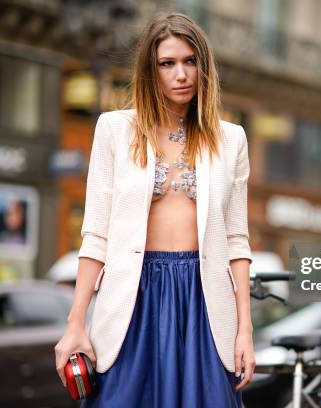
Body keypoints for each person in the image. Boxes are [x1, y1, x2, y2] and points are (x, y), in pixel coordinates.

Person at [54, 12, 255, 408]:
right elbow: (97, 233)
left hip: (204, 302)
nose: (181, 74)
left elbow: (236, 240)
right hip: (134, 298)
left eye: (190, 61)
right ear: (151, 70)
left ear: (204, 67)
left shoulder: (231, 139)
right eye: (167, 63)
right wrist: (75, 323)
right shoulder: (114, 130)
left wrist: (244, 330)